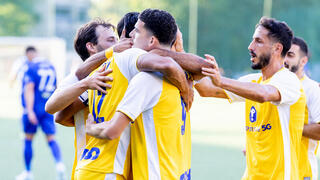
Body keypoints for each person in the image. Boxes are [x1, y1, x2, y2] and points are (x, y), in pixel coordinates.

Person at [194, 17, 306, 179]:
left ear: (277, 48)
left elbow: (264, 94)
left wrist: (222, 80)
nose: (250, 46)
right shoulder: (252, 81)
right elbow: (207, 89)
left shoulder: (289, 80)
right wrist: (177, 55)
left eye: (258, 41)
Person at [45, 18, 134, 180]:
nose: (118, 43)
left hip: (116, 167)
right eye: (110, 40)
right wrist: (86, 88)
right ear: (91, 46)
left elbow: (61, 117)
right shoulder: (80, 75)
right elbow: (53, 109)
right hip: (95, 167)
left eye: (116, 39)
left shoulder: (119, 70)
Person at [16, 46, 66, 180]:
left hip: (34, 108)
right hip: (49, 108)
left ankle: (27, 172)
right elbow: (57, 87)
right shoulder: (50, 66)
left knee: (28, 139)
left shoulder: (30, 67)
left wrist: (30, 110)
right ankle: (59, 165)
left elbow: (29, 89)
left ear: (28, 55)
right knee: (51, 138)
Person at [284, 36, 320, 180]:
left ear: (303, 61)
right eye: (283, 54)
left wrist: (289, 127)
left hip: (301, 173)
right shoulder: (273, 85)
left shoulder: (312, 89)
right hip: (275, 171)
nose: (284, 59)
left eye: (290, 55)